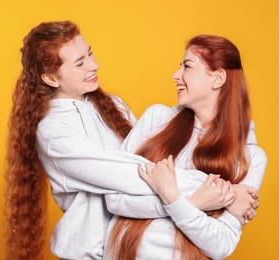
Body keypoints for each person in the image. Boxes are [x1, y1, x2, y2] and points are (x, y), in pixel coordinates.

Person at [4, 21, 258, 260]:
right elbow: (133, 174)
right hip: (89, 254)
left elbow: (154, 171)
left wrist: (184, 199)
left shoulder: (114, 106)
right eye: (80, 62)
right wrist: (222, 191)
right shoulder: (53, 133)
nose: (94, 65)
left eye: (90, 54)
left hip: (132, 246)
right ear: (51, 78)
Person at [104, 35, 267, 260]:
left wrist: (172, 195)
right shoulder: (157, 119)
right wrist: (196, 201)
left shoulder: (250, 158)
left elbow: (221, 245)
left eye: (187, 66)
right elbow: (114, 199)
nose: (175, 75)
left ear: (217, 78)